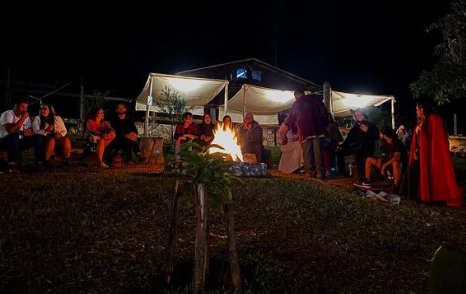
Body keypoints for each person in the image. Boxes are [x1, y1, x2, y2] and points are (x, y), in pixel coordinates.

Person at [400, 100, 462, 207]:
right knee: (412, 171)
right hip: (422, 154)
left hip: (432, 156)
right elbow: (420, 139)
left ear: (422, 108)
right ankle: (414, 195)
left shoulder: (434, 119)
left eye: (417, 109)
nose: (417, 112)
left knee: (426, 174)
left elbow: (435, 140)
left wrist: (421, 132)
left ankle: (431, 198)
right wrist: (416, 150)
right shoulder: (422, 120)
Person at [287, 89, 328, 179]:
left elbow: (291, 118)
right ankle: (320, 172)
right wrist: (324, 123)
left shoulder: (296, 103)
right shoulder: (315, 98)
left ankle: (309, 171)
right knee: (318, 152)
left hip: (304, 130)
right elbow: (324, 111)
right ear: (303, 93)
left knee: (307, 152)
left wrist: (294, 130)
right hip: (317, 129)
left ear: (296, 95)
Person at [356, 126, 407, 192]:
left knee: (395, 163)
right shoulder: (386, 143)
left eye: (380, 133)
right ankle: (367, 181)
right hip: (389, 164)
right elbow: (383, 155)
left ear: (385, 135)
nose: (379, 134)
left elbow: (396, 157)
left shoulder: (396, 142)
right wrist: (379, 163)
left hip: (401, 165)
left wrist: (384, 166)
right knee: (369, 159)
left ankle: (396, 186)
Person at [0, 97, 45, 172]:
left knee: (39, 137)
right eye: (22, 107)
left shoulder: (25, 116)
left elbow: (29, 129)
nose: (24, 109)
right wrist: (23, 118)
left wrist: (28, 132)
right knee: (14, 135)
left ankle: (38, 163)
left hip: (19, 141)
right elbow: (11, 130)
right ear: (15, 106)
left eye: (26, 107)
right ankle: (12, 164)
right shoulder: (8, 114)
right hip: (5, 141)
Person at [336, 108, 379, 181]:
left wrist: (367, 131)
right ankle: (342, 173)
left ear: (364, 115)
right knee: (339, 151)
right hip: (356, 146)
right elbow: (349, 139)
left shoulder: (371, 125)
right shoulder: (355, 127)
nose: (358, 116)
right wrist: (342, 146)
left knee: (358, 152)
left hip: (366, 148)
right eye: (357, 115)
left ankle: (362, 176)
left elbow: (376, 136)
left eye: (360, 114)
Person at [32, 103, 71, 168]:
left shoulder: (57, 118)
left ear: (50, 110)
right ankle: (46, 161)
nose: (42, 110)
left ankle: (66, 160)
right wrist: (46, 130)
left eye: (45, 109)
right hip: (45, 139)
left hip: (57, 138)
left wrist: (60, 134)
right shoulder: (38, 119)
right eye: (41, 109)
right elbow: (35, 131)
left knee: (66, 140)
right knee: (51, 140)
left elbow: (64, 130)